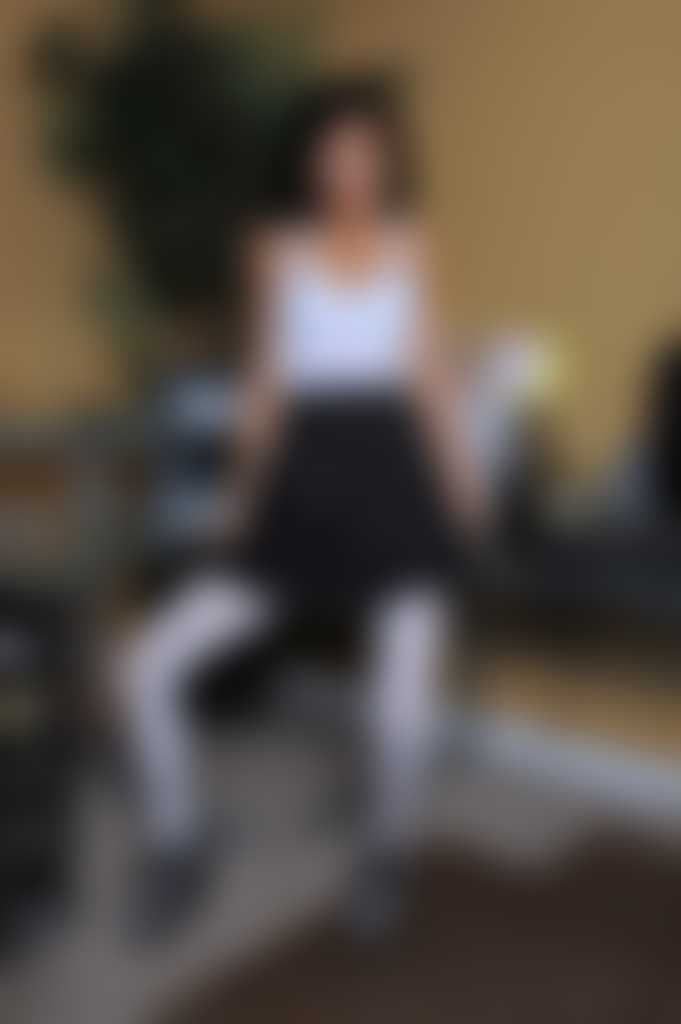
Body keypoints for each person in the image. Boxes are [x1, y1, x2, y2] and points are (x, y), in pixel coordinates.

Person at [118, 76, 490, 940]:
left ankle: (385, 851)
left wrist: (462, 480)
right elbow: (266, 383)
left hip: (394, 479)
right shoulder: (272, 247)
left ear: (386, 161)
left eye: (365, 152)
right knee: (145, 668)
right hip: (299, 485)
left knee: (401, 712)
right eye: (333, 152)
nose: (349, 168)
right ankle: (179, 838)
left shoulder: (411, 242)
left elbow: (428, 372)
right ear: (311, 162)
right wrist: (235, 499)